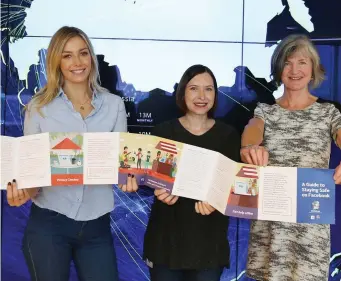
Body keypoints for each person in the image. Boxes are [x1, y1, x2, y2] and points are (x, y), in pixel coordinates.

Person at [6, 26, 138, 281]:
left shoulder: (114, 105)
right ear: (56, 61)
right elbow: (32, 175)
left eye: (83, 53)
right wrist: (22, 193)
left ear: (91, 58)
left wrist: (130, 180)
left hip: (97, 227)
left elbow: (122, 170)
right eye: (67, 55)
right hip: (49, 227)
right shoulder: (38, 108)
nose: (77, 63)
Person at [240, 34, 341, 281]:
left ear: (313, 68)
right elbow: (252, 130)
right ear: (278, 68)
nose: (294, 69)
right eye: (287, 62)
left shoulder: (328, 112)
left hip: (310, 229)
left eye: (302, 62)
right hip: (271, 227)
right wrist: (250, 147)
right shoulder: (264, 111)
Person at [142, 64, 241, 281]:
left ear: (216, 94)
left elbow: (235, 189)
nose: (201, 96)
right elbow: (150, 178)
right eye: (194, 88)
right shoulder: (163, 132)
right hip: (166, 242)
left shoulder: (228, 136)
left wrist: (218, 200)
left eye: (209, 89)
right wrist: (158, 189)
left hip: (208, 244)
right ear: (182, 92)